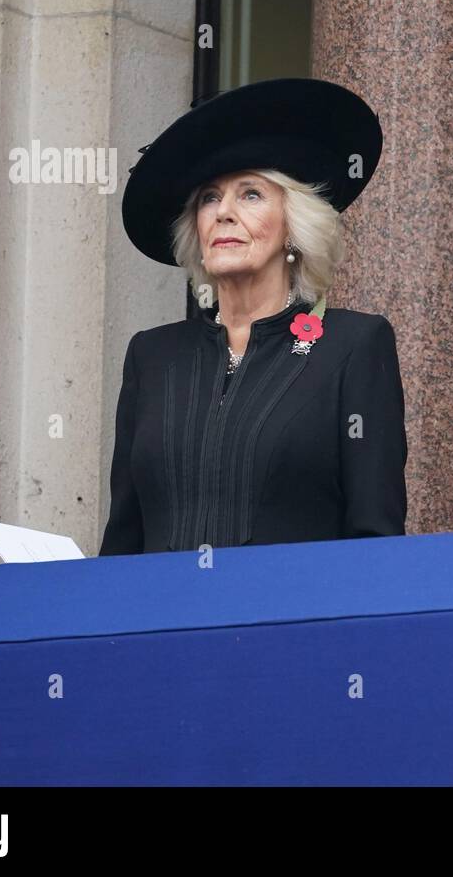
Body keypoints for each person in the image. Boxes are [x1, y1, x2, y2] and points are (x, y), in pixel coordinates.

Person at [100, 77, 407, 553]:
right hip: (164, 621)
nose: (223, 212)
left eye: (250, 194)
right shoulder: (153, 356)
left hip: (289, 622)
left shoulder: (352, 345)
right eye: (208, 198)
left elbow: (374, 541)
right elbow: (123, 541)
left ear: (292, 226)